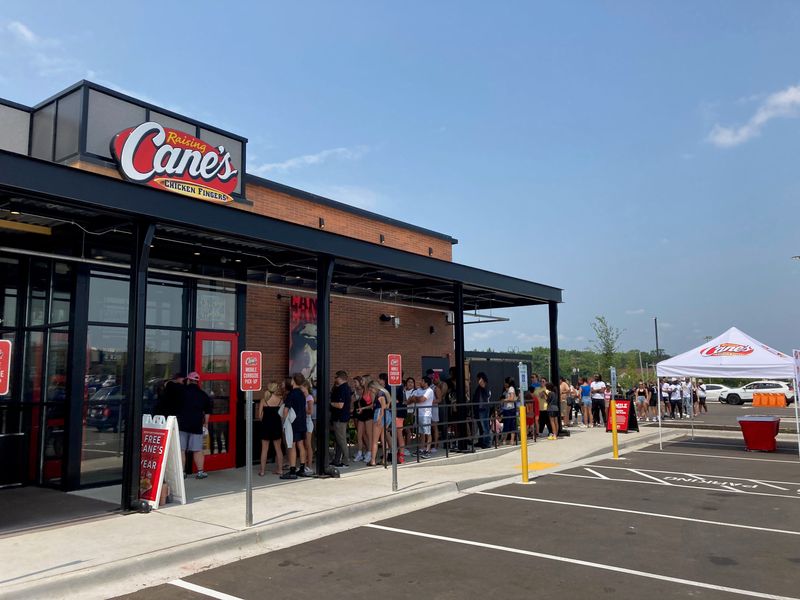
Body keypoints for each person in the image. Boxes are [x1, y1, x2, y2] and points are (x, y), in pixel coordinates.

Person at [176, 371, 212, 479]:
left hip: (182, 424)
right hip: (196, 425)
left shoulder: (182, 392)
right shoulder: (203, 395)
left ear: (189, 380)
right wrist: (205, 424)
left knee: (182, 450)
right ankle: (200, 472)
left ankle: (182, 473)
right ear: (197, 382)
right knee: (197, 450)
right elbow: (207, 412)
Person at [281, 374, 308, 480]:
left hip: (293, 423)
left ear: (294, 381)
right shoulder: (302, 393)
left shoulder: (291, 394)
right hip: (302, 421)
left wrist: (284, 421)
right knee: (301, 445)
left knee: (292, 445)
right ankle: (302, 468)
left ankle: (292, 470)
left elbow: (286, 410)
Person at [258, 382, 283, 476]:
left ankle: (262, 471)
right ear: (276, 389)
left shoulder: (263, 400)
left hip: (265, 426)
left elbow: (259, 416)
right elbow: (281, 416)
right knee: (278, 449)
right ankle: (280, 470)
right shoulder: (280, 401)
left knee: (264, 449)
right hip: (276, 426)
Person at [330, 371, 352, 468]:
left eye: (336, 377)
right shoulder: (346, 388)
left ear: (340, 378)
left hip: (340, 417)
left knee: (341, 440)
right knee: (338, 440)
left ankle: (346, 461)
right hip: (342, 417)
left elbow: (340, 405)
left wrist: (330, 403)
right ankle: (337, 460)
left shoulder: (342, 389)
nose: (335, 379)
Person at [409, 376, 434, 458]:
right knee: (421, 433)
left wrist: (415, 398)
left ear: (426, 383)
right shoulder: (418, 390)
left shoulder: (429, 391)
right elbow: (410, 399)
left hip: (426, 414)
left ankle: (428, 450)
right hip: (418, 414)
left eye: (422, 381)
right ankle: (422, 449)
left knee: (427, 433)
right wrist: (416, 398)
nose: (420, 382)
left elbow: (422, 399)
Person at [368, 379, 389, 466]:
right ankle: (384, 459)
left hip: (380, 414)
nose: (370, 391)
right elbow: (387, 405)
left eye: (370, 389)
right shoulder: (385, 392)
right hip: (387, 415)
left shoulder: (380, 394)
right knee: (384, 439)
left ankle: (372, 460)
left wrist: (380, 418)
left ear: (373, 387)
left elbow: (383, 407)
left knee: (375, 441)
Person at [353, 376, 373, 463]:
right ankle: (360, 452)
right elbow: (360, 401)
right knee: (359, 434)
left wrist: (363, 408)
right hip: (361, 414)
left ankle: (370, 452)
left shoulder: (371, 390)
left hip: (368, 413)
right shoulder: (363, 390)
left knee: (369, 434)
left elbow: (372, 405)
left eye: (363, 380)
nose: (362, 381)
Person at [472, 372, 492, 448]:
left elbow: (482, 384)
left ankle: (487, 442)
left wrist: (481, 380)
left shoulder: (485, 386)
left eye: (479, 378)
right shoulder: (479, 388)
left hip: (483, 409)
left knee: (485, 427)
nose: (478, 380)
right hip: (478, 409)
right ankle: (481, 441)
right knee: (480, 426)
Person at [301, 379, 315, 476]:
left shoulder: (309, 397)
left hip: (308, 421)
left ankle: (309, 464)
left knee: (308, 444)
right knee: (302, 444)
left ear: (306, 387)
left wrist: (302, 408)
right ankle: (304, 463)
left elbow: (310, 411)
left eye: (301, 387)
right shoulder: (302, 397)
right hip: (302, 421)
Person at [500, 377, 517, 445]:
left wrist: (504, 400)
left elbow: (512, 398)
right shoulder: (506, 390)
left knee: (510, 424)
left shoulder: (511, 388)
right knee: (507, 425)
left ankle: (510, 440)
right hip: (507, 409)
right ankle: (507, 440)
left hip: (510, 409)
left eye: (505, 382)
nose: (504, 383)